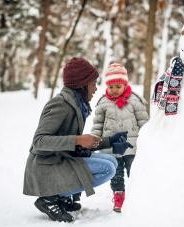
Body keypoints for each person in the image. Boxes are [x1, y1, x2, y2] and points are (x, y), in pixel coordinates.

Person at [23, 57, 133, 222]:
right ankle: (50, 197)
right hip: (46, 167)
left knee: (112, 161)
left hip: (61, 159)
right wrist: (77, 140)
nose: (96, 89)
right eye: (93, 83)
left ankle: (60, 196)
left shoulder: (77, 104)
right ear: (82, 85)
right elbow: (39, 142)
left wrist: (110, 141)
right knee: (107, 169)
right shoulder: (60, 104)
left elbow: (78, 143)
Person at [91, 63, 149, 212]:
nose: (114, 90)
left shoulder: (135, 100)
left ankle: (139, 195)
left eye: (118, 86)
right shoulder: (103, 102)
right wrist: (95, 139)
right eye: (111, 87)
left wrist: (147, 139)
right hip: (111, 147)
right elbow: (98, 124)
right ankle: (118, 195)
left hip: (131, 145)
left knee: (134, 171)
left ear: (124, 84)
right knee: (116, 174)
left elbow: (144, 122)